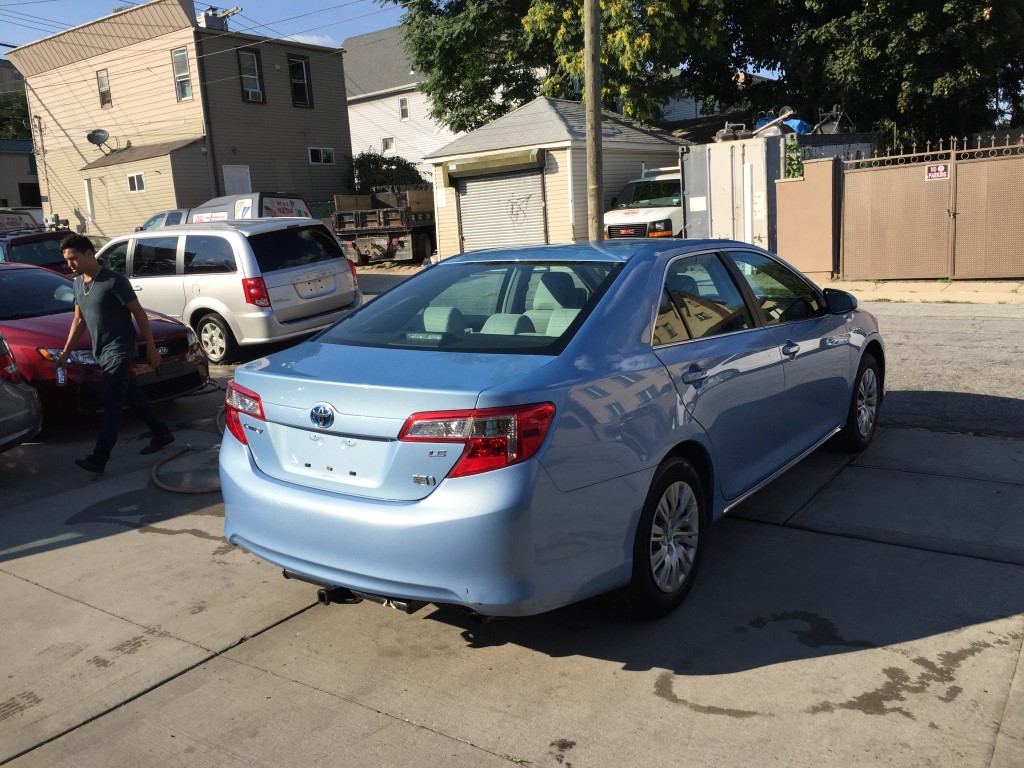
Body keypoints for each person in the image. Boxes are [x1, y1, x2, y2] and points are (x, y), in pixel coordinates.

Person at [57, 233, 174, 473]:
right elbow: (78, 320)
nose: (70, 264)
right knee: (132, 395)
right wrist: (65, 352)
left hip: (119, 351)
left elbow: (140, 314)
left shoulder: (114, 281)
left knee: (111, 403)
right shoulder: (78, 283)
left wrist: (151, 348)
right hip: (101, 352)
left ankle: (99, 458)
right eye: (67, 260)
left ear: (89, 254)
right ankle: (162, 433)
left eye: (73, 258)